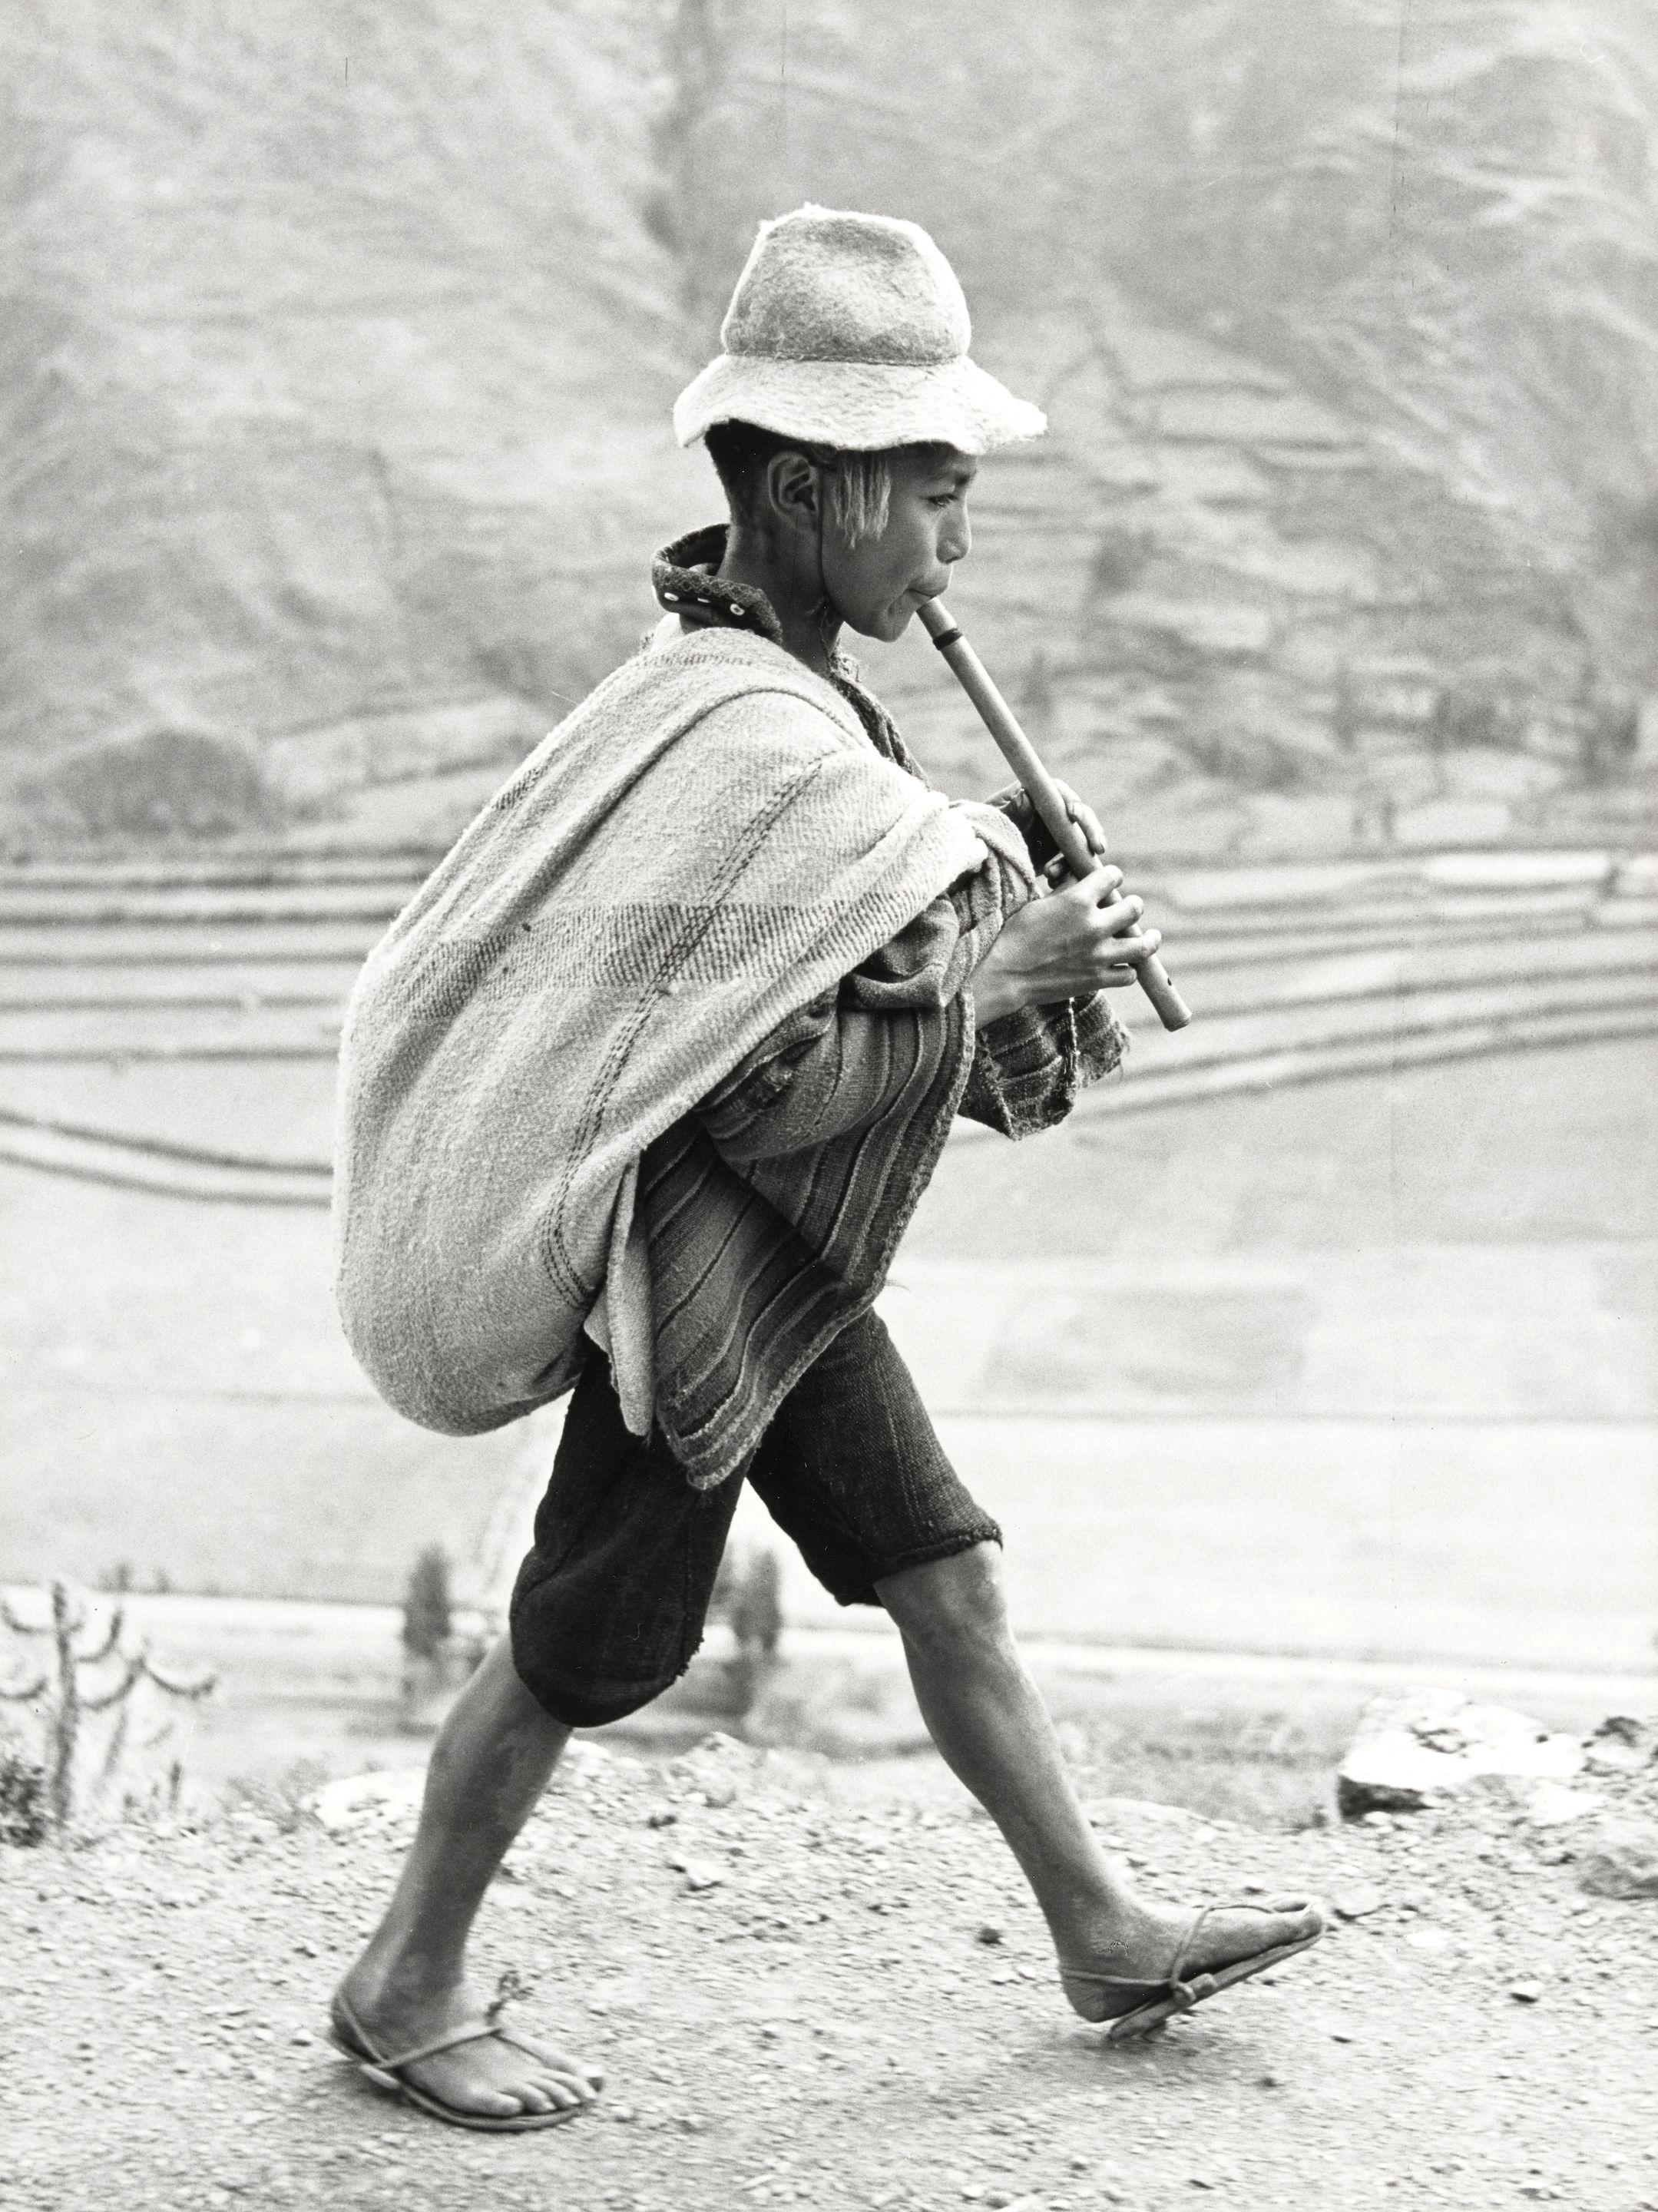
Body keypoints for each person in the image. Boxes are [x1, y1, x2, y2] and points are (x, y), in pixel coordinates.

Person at [327, 206, 1325, 2132]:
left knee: (943, 1574)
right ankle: (403, 1979)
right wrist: (1000, 968)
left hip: (781, 1273)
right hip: (689, 1293)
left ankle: (1102, 1924)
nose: (960, 544)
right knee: (584, 1642)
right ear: (808, 488)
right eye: (936, 496)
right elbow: (759, 1093)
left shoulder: (776, 717)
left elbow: (823, 1014)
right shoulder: (754, 745)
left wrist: (984, 893)